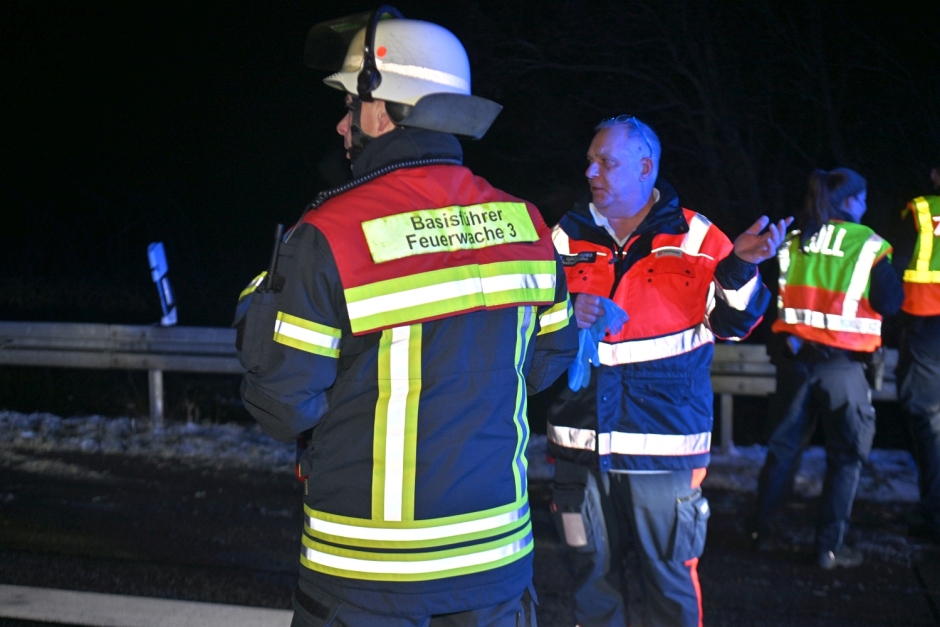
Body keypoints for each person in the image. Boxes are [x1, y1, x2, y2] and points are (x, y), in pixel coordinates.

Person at [234, 8, 578, 626]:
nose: (342, 123)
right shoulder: (526, 225)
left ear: (382, 105)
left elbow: (282, 405)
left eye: (348, 104)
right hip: (497, 561)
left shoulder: (331, 234)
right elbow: (546, 363)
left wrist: (257, 304)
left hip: (370, 576)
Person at [545, 115, 789, 627]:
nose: (591, 170)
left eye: (606, 162)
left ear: (645, 167)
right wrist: (565, 316)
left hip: (665, 454)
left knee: (670, 588)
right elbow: (526, 328)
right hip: (578, 455)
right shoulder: (560, 239)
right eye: (590, 160)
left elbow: (737, 321)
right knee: (590, 584)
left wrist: (742, 267)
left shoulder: (698, 238)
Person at [753, 168, 905, 569]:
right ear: (851, 202)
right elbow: (890, 303)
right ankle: (828, 549)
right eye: (864, 197)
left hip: (795, 362)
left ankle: (761, 533)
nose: (867, 205)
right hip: (844, 369)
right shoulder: (868, 245)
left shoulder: (796, 241)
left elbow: (775, 295)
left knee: (783, 450)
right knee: (845, 457)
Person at [894, 164, 940, 544]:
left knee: (926, 418)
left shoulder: (922, 210)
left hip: (927, 324)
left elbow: (898, 266)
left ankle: (933, 512)